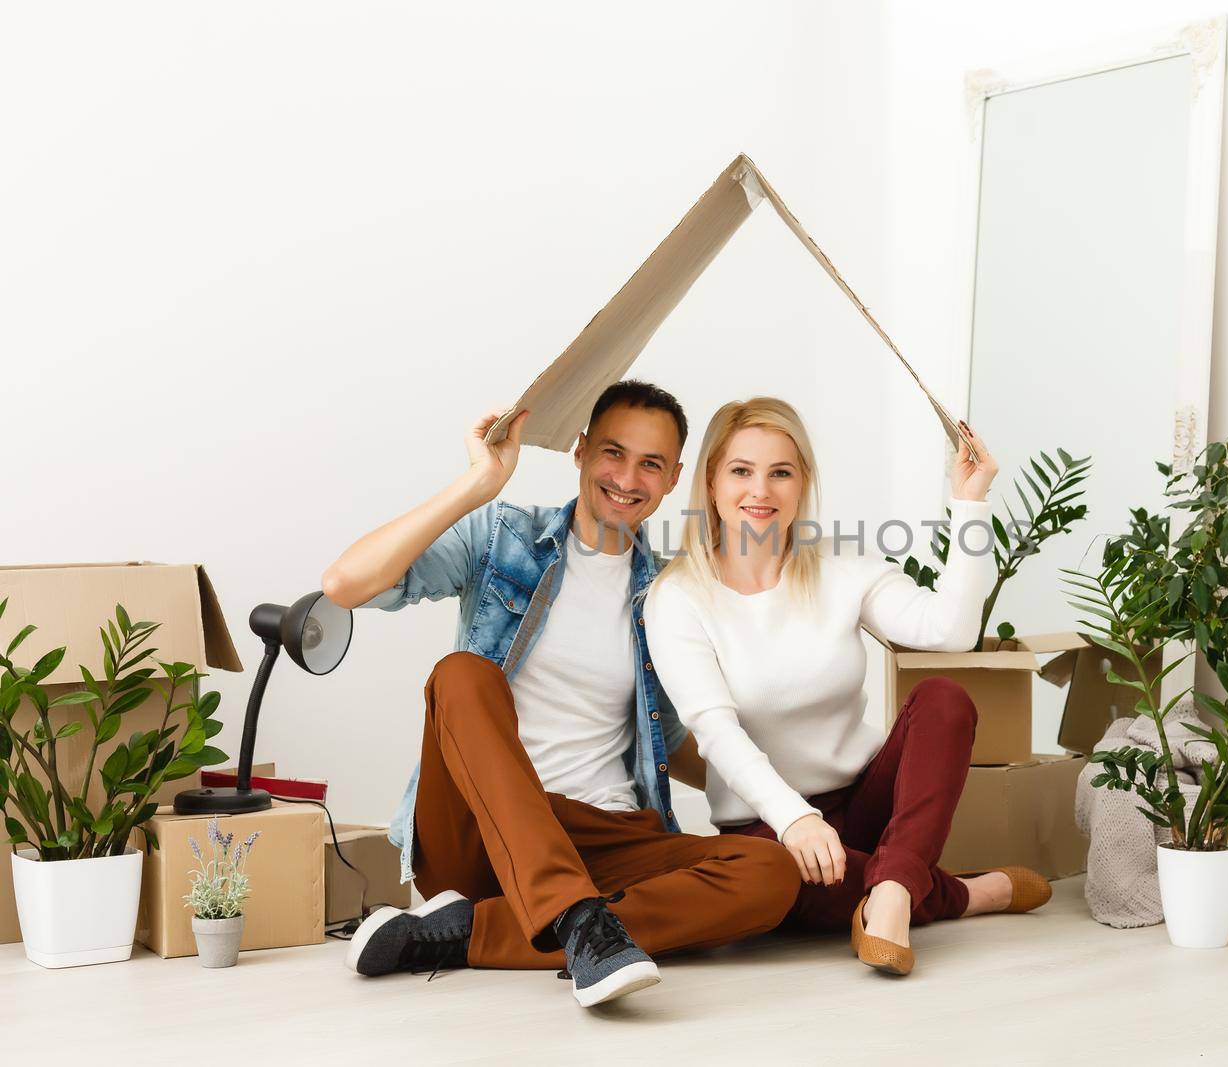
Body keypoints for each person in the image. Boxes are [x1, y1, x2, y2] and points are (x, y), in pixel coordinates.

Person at [321, 381, 799, 1007]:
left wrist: (790, 802)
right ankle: (576, 919)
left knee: (770, 872)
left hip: (603, 834)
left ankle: (467, 933)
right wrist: (477, 484)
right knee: (463, 674)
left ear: (675, 477)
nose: (627, 478)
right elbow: (346, 584)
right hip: (481, 832)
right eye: (612, 453)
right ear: (580, 452)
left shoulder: (672, 594)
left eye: (650, 464)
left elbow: (673, 741)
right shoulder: (502, 537)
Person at [643, 397, 1052, 978]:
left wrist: (970, 499)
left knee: (944, 698)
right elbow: (714, 730)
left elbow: (951, 630)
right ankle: (957, 893)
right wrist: (794, 818)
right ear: (710, 481)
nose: (760, 489)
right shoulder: (678, 596)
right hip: (768, 825)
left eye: (780, 472)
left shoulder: (842, 571)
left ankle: (887, 889)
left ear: (802, 482)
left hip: (863, 804)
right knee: (780, 886)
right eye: (741, 470)